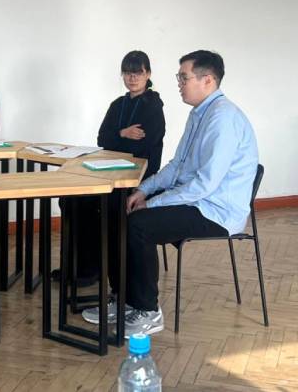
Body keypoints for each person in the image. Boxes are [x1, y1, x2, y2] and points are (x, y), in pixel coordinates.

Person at [83, 50, 258, 338]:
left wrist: (153, 202)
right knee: (121, 210)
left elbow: (204, 185)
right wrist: (144, 189)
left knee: (139, 224)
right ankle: (126, 299)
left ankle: (148, 311)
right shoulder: (199, 114)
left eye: (183, 77)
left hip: (215, 211)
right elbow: (178, 165)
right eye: (179, 77)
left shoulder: (223, 119)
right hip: (198, 201)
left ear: (207, 80)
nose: (179, 83)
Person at [55, 51, 165, 291]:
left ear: (148, 74)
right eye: (127, 73)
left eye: (137, 73)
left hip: (139, 178)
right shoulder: (118, 105)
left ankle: (97, 269)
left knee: (109, 205)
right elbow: (102, 139)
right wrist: (123, 133)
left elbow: (143, 146)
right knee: (72, 200)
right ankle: (81, 267)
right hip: (110, 170)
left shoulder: (154, 106)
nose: (132, 78)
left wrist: (117, 139)